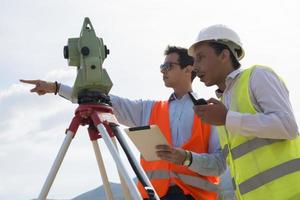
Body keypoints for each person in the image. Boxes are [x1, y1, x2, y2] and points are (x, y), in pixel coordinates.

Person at [21, 46, 228, 200]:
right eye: (161, 66)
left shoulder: (212, 112)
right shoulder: (150, 109)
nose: (163, 70)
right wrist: (56, 87)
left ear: (188, 69)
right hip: (153, 196)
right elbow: (103, 99)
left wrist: (186, 158)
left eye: (168, 66)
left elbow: (218, 165)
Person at [188, 24, 300, 200]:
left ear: (224, 55)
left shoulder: (258, 76)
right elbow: (224, 165)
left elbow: (288, 127)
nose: (195, 66)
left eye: (201, 57)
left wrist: (227, 118)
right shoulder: (222, 105)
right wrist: (185, 158)